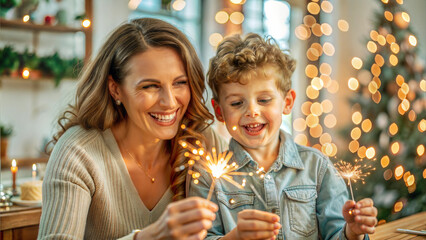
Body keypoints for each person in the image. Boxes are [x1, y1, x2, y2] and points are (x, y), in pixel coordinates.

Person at [38, 18, 227, 240]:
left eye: (180, 83)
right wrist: (149, 236)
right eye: (150, 86)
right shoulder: (79, 152)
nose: (169, 102)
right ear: (115, 89)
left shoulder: (203, 141)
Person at [188, 33, 378, 240]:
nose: (252, 111)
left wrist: (353, 232)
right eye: (236, 103)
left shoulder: (317, 167)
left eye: (264, 100)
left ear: (287, 102)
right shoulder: (208, 177)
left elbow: (336, 233)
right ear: (219, 111)